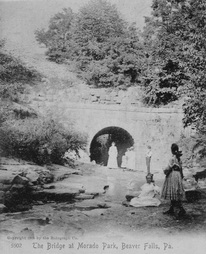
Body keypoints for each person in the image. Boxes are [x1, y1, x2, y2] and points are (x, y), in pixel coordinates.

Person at [161, 143, 186, 217]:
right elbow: (181, 169)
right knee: (175, 192)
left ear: (171, 150)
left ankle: (180, 210)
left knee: (174, 192)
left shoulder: (172, 159)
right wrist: (181, 176)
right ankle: (172, 209)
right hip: (177, 175)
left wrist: (165, 172)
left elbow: (168, 168)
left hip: (173, 175)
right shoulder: (179, 158)